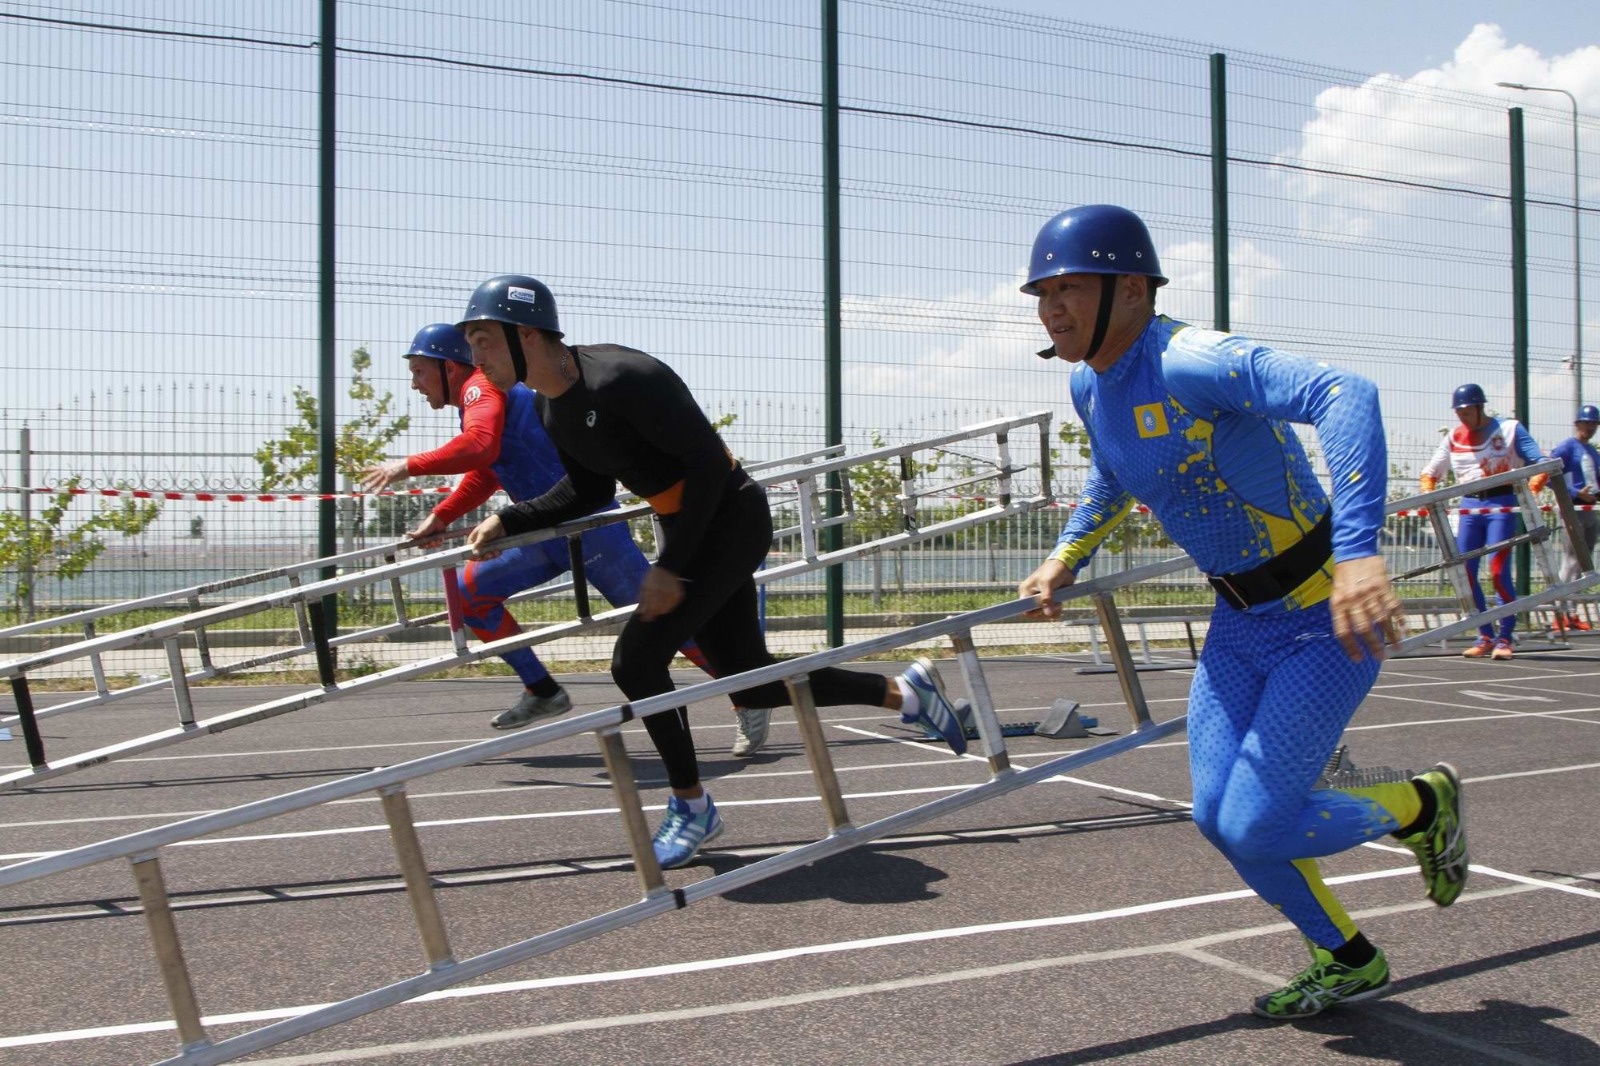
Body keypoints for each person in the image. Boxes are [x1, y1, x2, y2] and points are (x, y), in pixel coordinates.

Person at [1015, 205, 1466, 1020]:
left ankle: (1422, 804)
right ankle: (1349, 959)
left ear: (1130, 290)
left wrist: (1362, 552)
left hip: (1325, 621)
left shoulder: (1191, 359)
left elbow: (1345, 393)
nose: (1051, 308)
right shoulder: (1088, 383)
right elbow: (1114, 476)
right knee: (1219, 820)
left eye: (1069, 287)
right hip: (1237, 627)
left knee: (1257, 824)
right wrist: (1064, 555)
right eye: (1042, 292)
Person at [456, 275, 966, 869]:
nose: (475, 358)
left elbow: (704, 468)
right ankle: (906, 693)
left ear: (525, 335)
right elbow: (590, 490)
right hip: (689, 525)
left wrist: (671, 567)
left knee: (636, 661)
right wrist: (510, 520)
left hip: (730, 513)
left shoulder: (624, 378)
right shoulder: (551, 408)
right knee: (750, 682)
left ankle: (692, 805)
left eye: (483, 340)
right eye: (470, 344)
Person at [360, 323, 717, 733]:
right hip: (543, 532)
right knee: (470, 594)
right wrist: (442, 515)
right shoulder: (475, 404)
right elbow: (491, 468)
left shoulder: (480, 388)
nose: (415, 385)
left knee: (662, 618)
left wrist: (405, 466)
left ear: (449, 368)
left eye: (419, 371)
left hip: (589, 529)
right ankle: (542, 690)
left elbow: (480, 447)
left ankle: (748, 692)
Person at [1419, 384, 1547, 660]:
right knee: (1465, 571)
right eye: (1459, 412)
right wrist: (1428, 494)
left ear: (1480, 407)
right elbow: (1430, 473)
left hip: (1502, 504)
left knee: (1498, 571)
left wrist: (1531, 492)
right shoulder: (1454, 437)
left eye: (1467, 411)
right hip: (1468, 507)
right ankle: (1485, 635)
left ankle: (1505, 638)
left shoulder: (1510, 429)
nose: (1463, 416)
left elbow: (1540, 462)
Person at [1547, 403, 1599, 632]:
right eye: (1586, 423)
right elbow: (1548, 475)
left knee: (1583, 563)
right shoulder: (1567, 448)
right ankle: (1559, 613)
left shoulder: (1593, 452)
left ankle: (1571, 613)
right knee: (1569, 562)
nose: (1589, 428)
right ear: (1577, 423)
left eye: (1594, 424)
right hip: (1572, 509)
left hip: (1591, 511)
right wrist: (1576, 493)